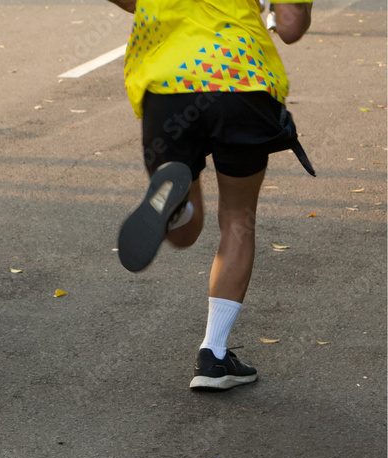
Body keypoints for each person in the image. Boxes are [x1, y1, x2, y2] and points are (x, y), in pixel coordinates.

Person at [110, 0, 313, 390]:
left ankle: (178, 207)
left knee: (185, 233)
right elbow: (290, 25)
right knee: (237, 217)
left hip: (167, 85)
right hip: (240, 79)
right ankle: (214, 356)